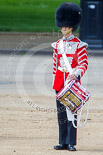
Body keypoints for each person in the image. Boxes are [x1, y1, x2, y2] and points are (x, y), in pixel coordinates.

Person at [51, 2, 88, 151]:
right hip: (60, 81)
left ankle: (71, 142)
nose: (63, 28)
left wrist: (75, 76)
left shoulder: (79, 45)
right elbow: (55, 65)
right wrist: (55, 80)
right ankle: (63, 142)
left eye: (66, 26)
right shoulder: (57, 45)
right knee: (61, 114)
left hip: (72, 81)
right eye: (62, 26)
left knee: (71, 112)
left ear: (72, 26)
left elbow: (83, 64)